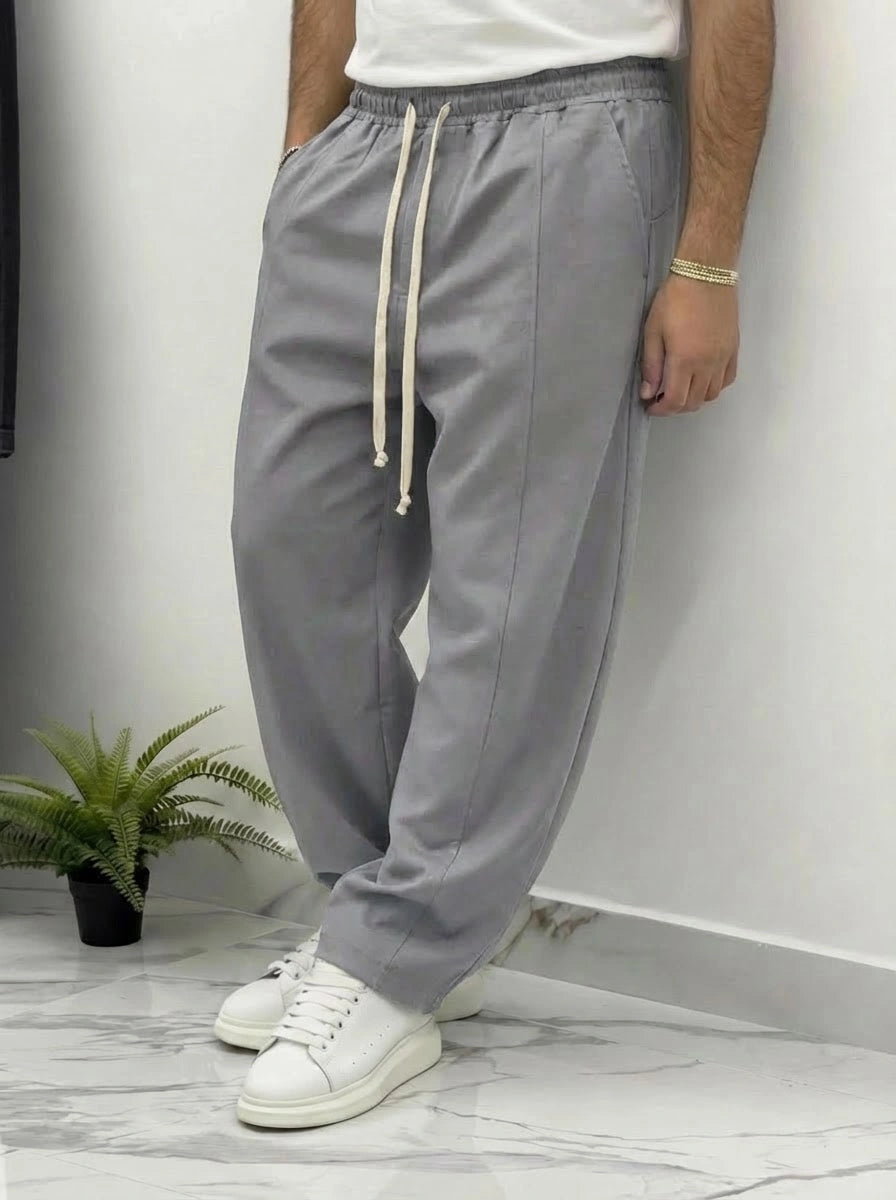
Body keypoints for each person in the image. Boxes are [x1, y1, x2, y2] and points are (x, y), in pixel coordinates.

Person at [221, 0, 776, 1129]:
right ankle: (386, 926)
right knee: (287, 547)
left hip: (570, 133)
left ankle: (396, 955)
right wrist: (300, 157)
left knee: (513, 586)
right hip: (366, 143)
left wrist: (707, 258)